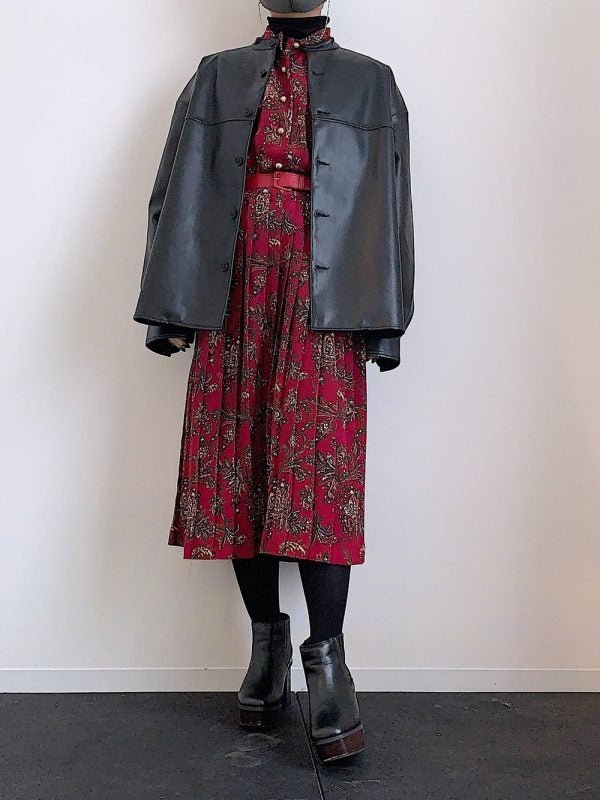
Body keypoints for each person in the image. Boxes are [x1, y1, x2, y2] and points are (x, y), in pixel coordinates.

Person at [134, 0, 415, 764]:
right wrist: (168, 308)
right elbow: (174, 190)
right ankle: (268, 647)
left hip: (328, 299)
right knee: (240, 465)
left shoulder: (371, 83)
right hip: (233, 290)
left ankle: (329, 664)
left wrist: (387, 322)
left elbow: (391, 208)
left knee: (320, 473)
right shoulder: (216, 76)